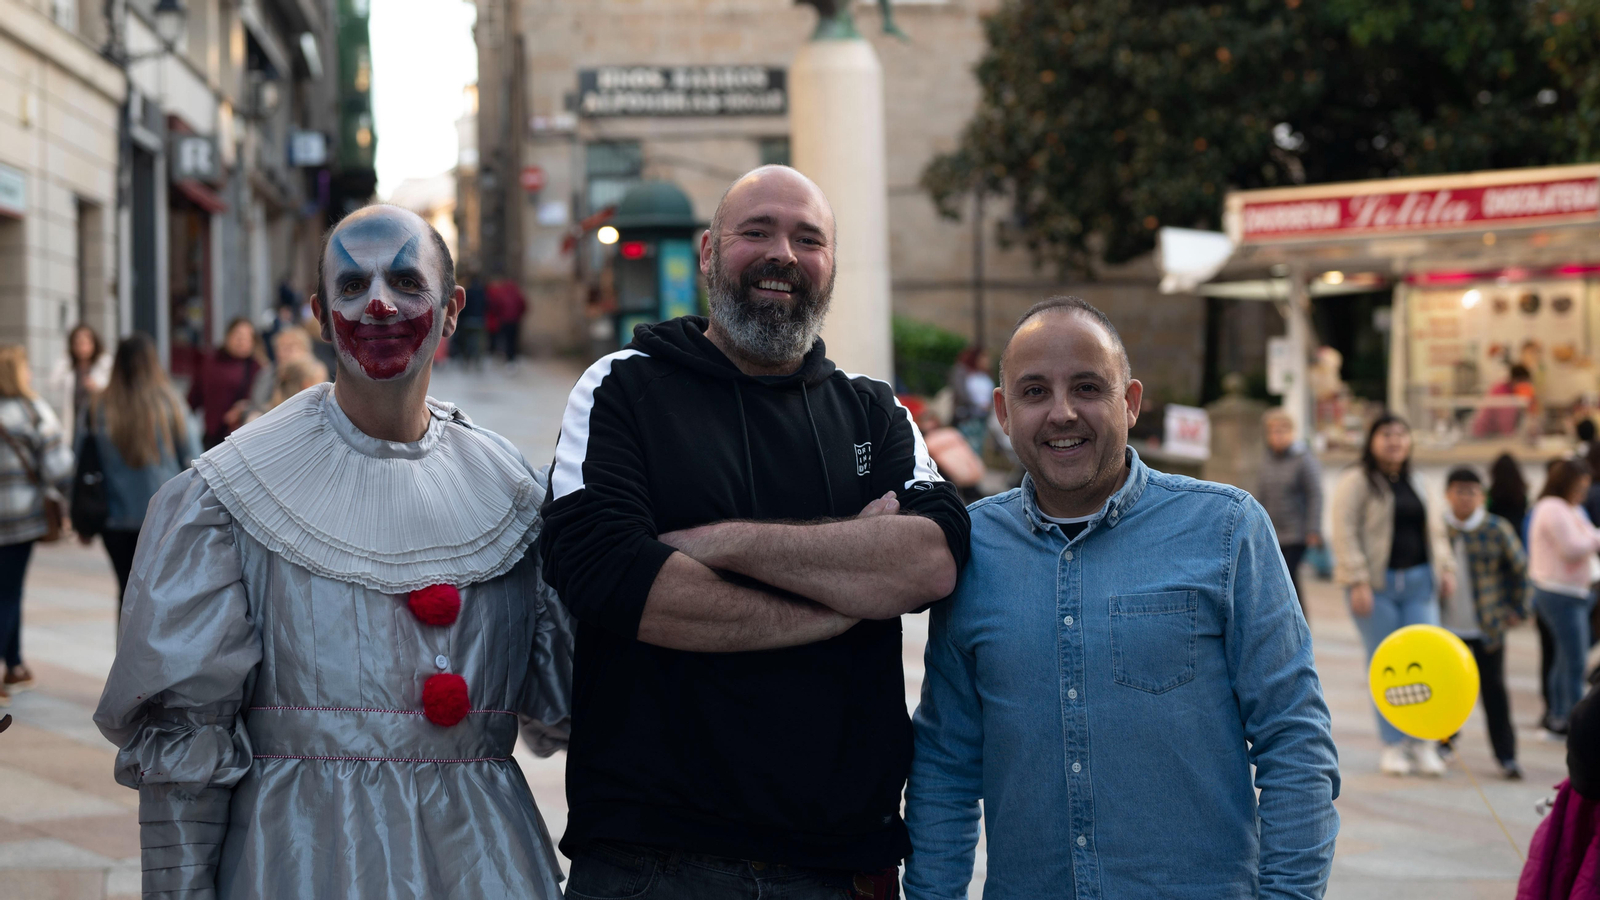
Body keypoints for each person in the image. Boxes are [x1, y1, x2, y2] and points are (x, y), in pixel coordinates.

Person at [95, 204, 574, 898]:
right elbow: (183, 757)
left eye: (407, 281)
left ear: (451, 310)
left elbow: (564, 702)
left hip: (485, 864)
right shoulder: (224, 497)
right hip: (301, 861)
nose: (379, 302)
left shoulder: (513, 493)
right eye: (352, 287)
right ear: (321, 315)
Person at [540, 165, 970, 899]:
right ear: (709, 250)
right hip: (652, 862)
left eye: (809, 239)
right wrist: (849, 593)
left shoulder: (875, 413)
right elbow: (613, 577)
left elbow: (932, 559)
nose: (784, 254)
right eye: (758, 232)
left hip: (837, 867)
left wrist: (715, 544)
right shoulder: (621, 388)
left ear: (831, 266)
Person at [903, 297, 1338, 900]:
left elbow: (1295, 741)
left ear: (1130, 402)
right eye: (1034, 392)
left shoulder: (1226, 529)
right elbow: (946, 765)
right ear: (1003, 412)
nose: (1062, 413)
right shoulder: (971, 549)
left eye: (1087, 387)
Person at [1331, 413, 1456, 776]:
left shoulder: (1419, 480)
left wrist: (1446, 568)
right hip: (1376, 587)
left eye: (1402, 434)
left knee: (1427, 664)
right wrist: (1356, 580)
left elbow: (1436, 530)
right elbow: (1344, 531)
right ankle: (1393, 744)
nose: (1395, 441)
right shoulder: (1356, 480)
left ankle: (1424, 743)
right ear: (1372, 440)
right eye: (1386, 434)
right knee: (1387, 667)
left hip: (1420, 583)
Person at [79, 334, 201, 607]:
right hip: (163, 516)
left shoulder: (97, 406)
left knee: (125, 591)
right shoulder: (171, 404)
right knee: (157, 595)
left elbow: (80, 458)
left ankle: (123, 648)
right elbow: (194, 460)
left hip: (113, 517)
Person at [1440, 467, 1529, 779]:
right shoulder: (1438, 529)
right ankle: (1443, 744)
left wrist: (1519, 607)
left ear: (1482, 496)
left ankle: (1506, 755)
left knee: (1494, 692)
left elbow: (1521, 569)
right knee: (1446, 690)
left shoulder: (1496, 528)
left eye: (1472, 491)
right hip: (1445, 628)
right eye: (1459, 490)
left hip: (1488, 626)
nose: (1465, 497)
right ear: (1447, 493)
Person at [0, 344, 74, 708]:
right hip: (18, 520)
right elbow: (59, 467)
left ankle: (14, 666)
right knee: (9, 592)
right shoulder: (32, 411)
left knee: (7, 592)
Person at [1528, 459, 1600, 736]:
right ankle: (1572, 721)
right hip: (1560, 593)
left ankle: (1559, 715)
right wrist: (1595, 538)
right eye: (1580, 485)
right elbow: (1572, 547)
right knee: (1574, 661)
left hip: (1577, 592)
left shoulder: (1571, 507)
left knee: (1564, 658)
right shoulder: (1552, 508)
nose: (1583, 490)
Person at [1256, 407, 1323, 619]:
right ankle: (1283, 621)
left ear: (1292, 432)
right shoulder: (1266, 460)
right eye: (1274, 431)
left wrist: (1313, 529)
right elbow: (1261, 495)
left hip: (1296, 532)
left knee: (1288, 578)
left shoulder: (1303, 459)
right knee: (1276, 580)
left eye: (1283, 430)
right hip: (1273, 531)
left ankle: (1299, 623)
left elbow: (1315, 494)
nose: (1278, 435)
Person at [188, 317, 265, 449]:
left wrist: (243, 409)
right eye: (238, 336)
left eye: (247, 338)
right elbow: (195, 394)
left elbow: (261, 401)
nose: (241, 342)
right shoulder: (210, 361)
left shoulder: (257, 367)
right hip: (211, 433)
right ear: (228, 336)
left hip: (239, 435)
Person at [45, 323, 113, 440]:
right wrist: (66, 359)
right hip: (74, 421)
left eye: (86, 343)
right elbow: (52, 383)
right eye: (78, 344)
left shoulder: (104, 363)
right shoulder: (67, 364)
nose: (82, 348)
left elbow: (112, 389)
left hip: (97, 421)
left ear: (94, 344)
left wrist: (96, 386)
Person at [947, 346, 994, 454]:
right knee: (965, 447)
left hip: (982, 417)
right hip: (966, 416)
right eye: (984, 357)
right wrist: (978, 405)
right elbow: (961, 393)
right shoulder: (963, 372)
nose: (987, 361)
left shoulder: (985, 376)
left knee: (977, 447)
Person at [487, 276, 527, 366]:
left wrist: (499, 316)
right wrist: (518, 316)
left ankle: (506, 357)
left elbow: (497, 306)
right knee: (513, 340)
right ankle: (511, 358)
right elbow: (523, 305)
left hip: (504, 321)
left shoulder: (502, 293)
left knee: (504, 339)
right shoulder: (517, 293)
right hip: (514, 321)